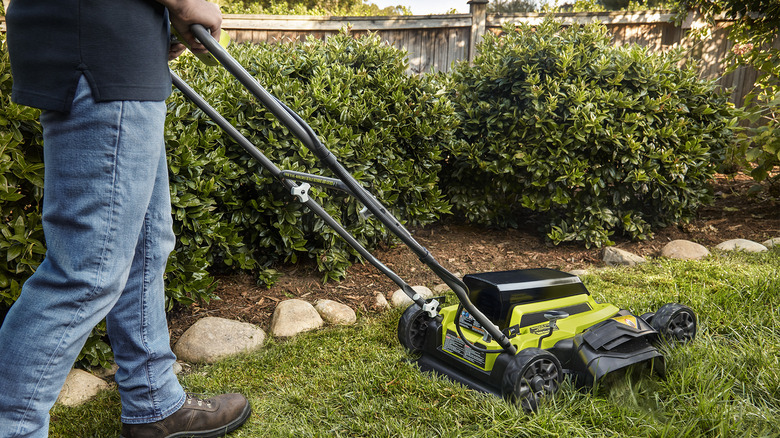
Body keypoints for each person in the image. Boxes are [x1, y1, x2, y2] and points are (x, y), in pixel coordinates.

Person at [0, 0, 251, 437]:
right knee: (86, 272)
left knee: (145, 245)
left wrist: (157, 21)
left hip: (117, 50)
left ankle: (154, 402)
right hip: (98, 52)